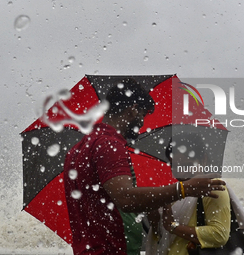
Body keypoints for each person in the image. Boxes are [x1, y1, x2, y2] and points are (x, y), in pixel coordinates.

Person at [63, 78, 227, 255]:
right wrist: (182, 189)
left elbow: (107, 200)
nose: (141, 123)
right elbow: (125, 199)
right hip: (111, 249)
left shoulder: (79, 148)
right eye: (142, 114)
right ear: (132, 109)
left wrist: (152, 213)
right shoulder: (109, 145)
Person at [146, 133, 231, 255]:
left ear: (203, 160)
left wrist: (173, 227)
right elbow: (163, 237)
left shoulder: (212, 188)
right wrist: (154, 219)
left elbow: (219, 234)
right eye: (176, 165)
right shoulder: (174, 193)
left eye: (187, 165)